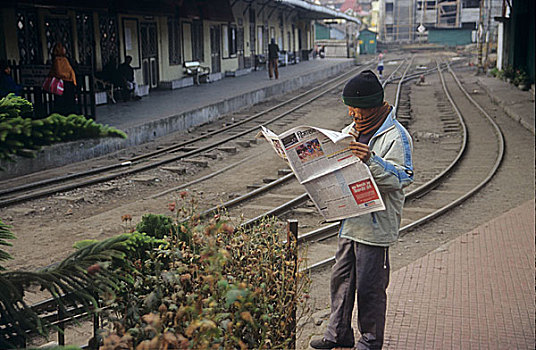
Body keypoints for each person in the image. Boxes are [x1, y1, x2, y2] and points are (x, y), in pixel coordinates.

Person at [310, 70, 414, 350]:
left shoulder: (396, 136)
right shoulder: (351, 132)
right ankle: (338, 334)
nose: (352, 114)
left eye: (357, 109)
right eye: (350, 108)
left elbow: (403, 177)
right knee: (340, 280)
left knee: (370, 289)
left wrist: (372, 161)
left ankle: (370, 341)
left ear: (374, 106)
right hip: (350, 221)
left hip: (376, 226)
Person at [49, 43, 77, 115]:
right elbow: (59, 72)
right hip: (63, 83)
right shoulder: (58, 61)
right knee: (64, 102)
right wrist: (67, 76)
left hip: (67, 83)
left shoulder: (64, 59)